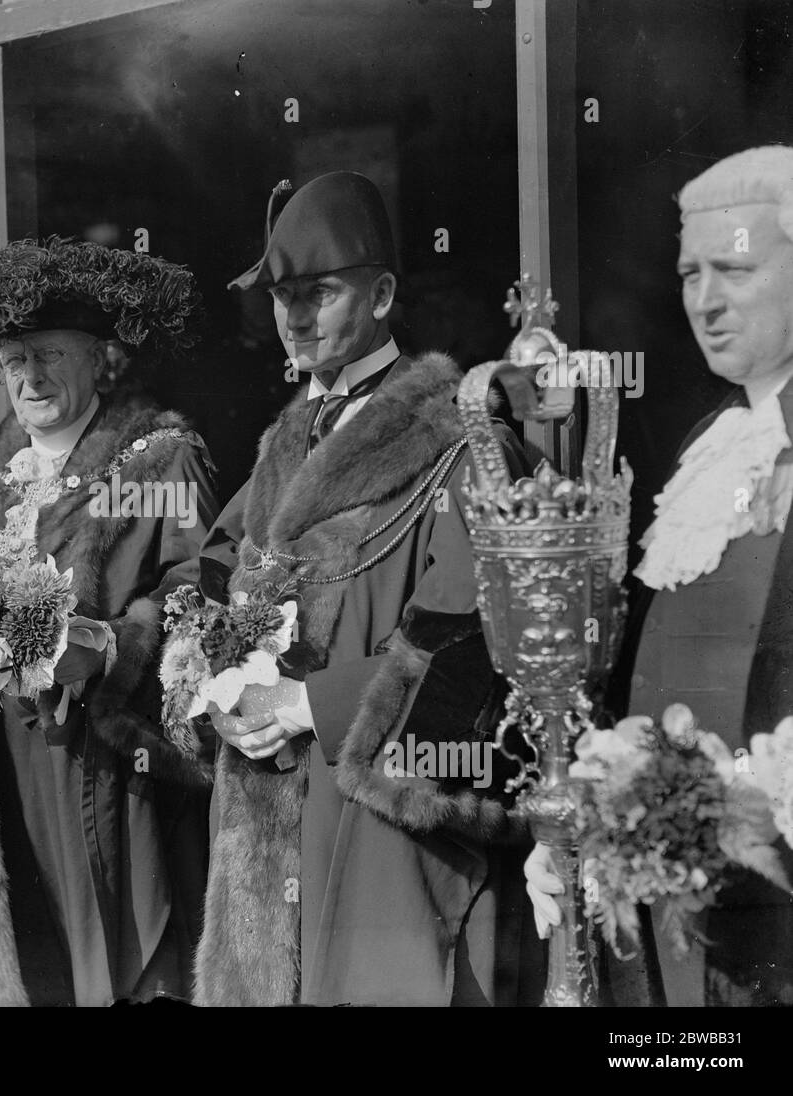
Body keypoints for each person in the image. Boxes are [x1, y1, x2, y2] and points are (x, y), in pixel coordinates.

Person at [193, 172, 527, 1006]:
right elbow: (208, 575)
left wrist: (309, 706)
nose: (295, 316)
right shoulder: (284, 441)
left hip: (381, 826)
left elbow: (477, 632)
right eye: (281, 295)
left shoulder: (457, 434)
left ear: (381, 295)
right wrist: (213, 685)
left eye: (319, 292)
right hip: (266, 819)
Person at [0, 237, 218, 1005]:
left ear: (99, 358)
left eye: (49, 356)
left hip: (99, 764)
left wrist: (106, 652)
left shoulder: (159, 459)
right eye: (12, 361)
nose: (29, 378)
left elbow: (197, 593)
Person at [527, 146, 793, 1007]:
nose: (706, 302)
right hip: (677, 913)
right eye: (690, 273)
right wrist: (585, 816)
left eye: (737, 269)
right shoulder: (704, 446)